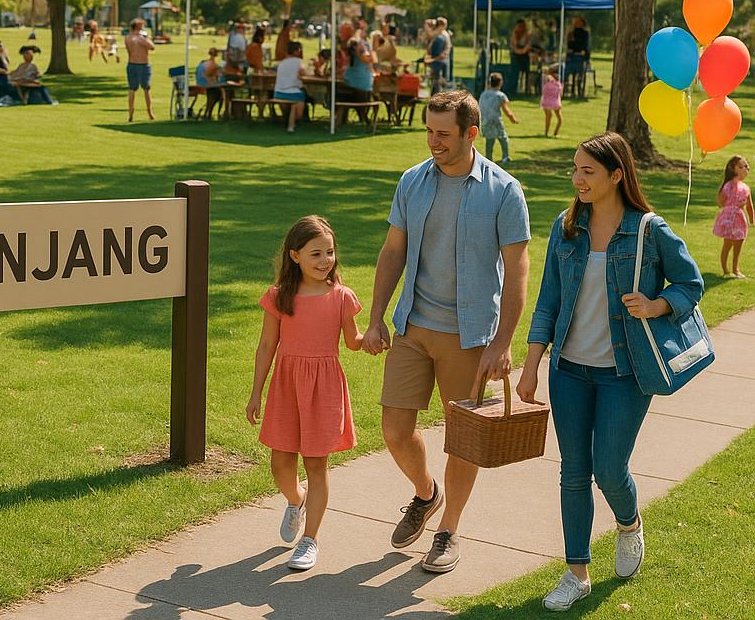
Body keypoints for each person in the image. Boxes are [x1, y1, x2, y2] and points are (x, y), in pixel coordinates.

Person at [517, 132, 704, 611]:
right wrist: (533, 363)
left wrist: (658, 302)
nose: (577, 179)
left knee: (609, 470)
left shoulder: (647, 229)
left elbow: (690, 282)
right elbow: (549, 300)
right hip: (569, 371)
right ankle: (575, 572)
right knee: (573, 473)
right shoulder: (567, 227)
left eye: (588, 171)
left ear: (617, 175)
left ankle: (628, 524)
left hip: (625, 372)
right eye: (575, 169)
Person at [363, 90, 531, 574]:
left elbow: (517, 268)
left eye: (443, 133)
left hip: (471, 336)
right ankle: (426, 493)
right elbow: (393, 250)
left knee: (463, 441)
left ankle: (448, 530)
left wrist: (502, 343)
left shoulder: (503, 191)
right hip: (413, 326)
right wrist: (376, 316)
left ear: (471, 133)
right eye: (429, 131)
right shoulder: (413, 181)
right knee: (395, 431)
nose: (433, 141)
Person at [246, 215, 364, 572]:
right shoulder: (279, 297)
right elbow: (267, 345)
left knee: (316, 465)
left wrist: (374, 337)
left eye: (329, 252)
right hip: (286, 386)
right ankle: (296, 501)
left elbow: (353, 341)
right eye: (315, 253)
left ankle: (310, 539)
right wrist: (256, 393)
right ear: (295, 256)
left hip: (324, 388)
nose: (325, 260)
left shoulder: (341, 297)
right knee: (280, 465)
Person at [713, 155, 753, 277]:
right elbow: (721, 201)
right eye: (741, 167)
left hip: (740, 219)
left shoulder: (746, 187)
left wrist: (752, 219)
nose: (745, 169)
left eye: (746, 166)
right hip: (728, 219)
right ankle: (726, 270)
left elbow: (749, 205)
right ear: (733, 169)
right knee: (728, 243)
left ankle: (736, 269)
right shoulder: (728, 186)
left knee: (739, 242)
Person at [478, 72, 518, 164]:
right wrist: (512, 118)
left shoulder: (484, 94)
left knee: (489, 138)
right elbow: (505, 109)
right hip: (495, 119)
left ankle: (488, 158)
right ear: (500, 83)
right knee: (503, 137)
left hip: (485, 119)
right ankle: (505, 157)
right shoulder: (500, 95)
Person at [274, 40, 308, 133]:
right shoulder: (299, 62)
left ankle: (288, 123)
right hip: (294, 93)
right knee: (298, 112)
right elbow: (304, 75)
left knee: (290, 109)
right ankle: (291, 125)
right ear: (297, 51)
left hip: (278, 93)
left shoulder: (281, 63)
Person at [195, 46, 226, 120]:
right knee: (221, 91)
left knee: (219, 90)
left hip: (200, 83)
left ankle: (209, 112)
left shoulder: (205, 62)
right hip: (206, 84)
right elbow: (210, 74)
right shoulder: (212, 64)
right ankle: (219, 112)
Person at [565, 16, 591, 98]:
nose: (576, 23)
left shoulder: (585, 33)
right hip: (572, 56)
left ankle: (579, 90)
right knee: (568, 65)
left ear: (582, 23)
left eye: (578, 22)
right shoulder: (571, 33)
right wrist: (575, 49)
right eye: (575, 21)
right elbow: (570, 45)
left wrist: (577, 49)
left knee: (578, 63)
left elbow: (583, 46)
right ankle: (568, 88)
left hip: (580, 57)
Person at [425, 20, 450, 94]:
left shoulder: (439, 35)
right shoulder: (443, 34)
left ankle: (436, 95)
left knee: (437, 81)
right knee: (438, 81)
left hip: (438, 61)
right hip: (441, 60)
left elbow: (430, 48)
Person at [509, 19, 532, 94]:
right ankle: (513, 90)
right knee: (515, 72)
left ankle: (526, 90)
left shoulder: (526, 35)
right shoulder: (514, 34)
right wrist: (523, 50)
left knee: (527, 72)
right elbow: (515, 49)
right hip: (515, 56)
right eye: (520, 26)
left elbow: (528, 46)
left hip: (524, 57)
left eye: (523, 26)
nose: (522, 28)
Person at [541, 66, 564, 137]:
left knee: (548, 117)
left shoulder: (546, 80)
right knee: (560, 119)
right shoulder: (558, 84)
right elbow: (561, 94)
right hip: (555, 102)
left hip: (546, 101)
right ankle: (555, 133)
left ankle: (546, 133)